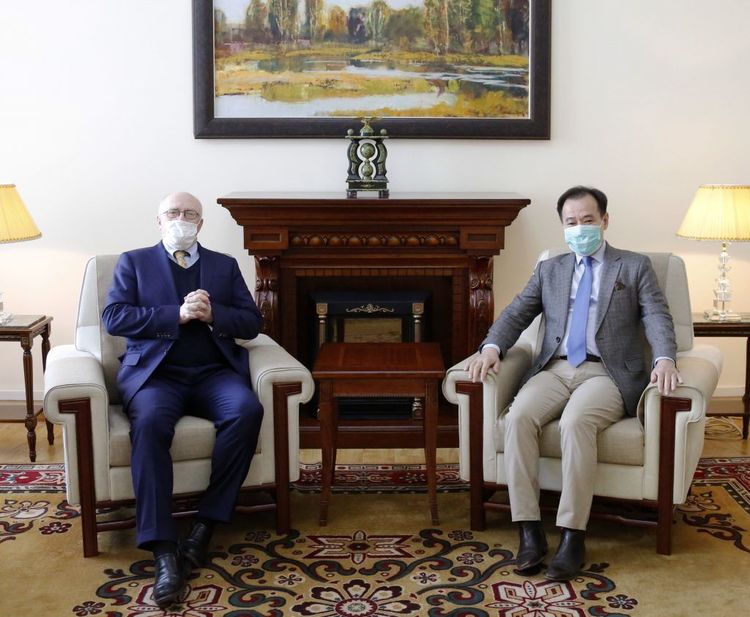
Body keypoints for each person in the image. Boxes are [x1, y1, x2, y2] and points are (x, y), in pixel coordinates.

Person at [467, 186, 681, 581]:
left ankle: (572, 534)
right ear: (563, 226)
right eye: (571, 222)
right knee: (518, 419)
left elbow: (656, 315)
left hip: (606, 373)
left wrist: (665, 357)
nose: (579, 228)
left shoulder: (634, 266)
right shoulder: (550, 269)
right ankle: (529, 528)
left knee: (575, 422)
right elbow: (516, 313)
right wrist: (492, 347)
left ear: (604, 220)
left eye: (587, 220)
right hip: (554, 369)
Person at [102, 192, 264, 608]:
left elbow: (252, 322)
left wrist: (213, 315)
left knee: (247, 410)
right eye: (173, 212)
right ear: (159, 221)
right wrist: (176, 314)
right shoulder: (134, 262)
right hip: (157, 376)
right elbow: (114, 317)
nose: (182, 218)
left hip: (213, 373)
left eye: (190, 213)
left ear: (201, 224)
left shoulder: (224, 265)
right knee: (150, 424)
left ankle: (205, 525)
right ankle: (162, 548)